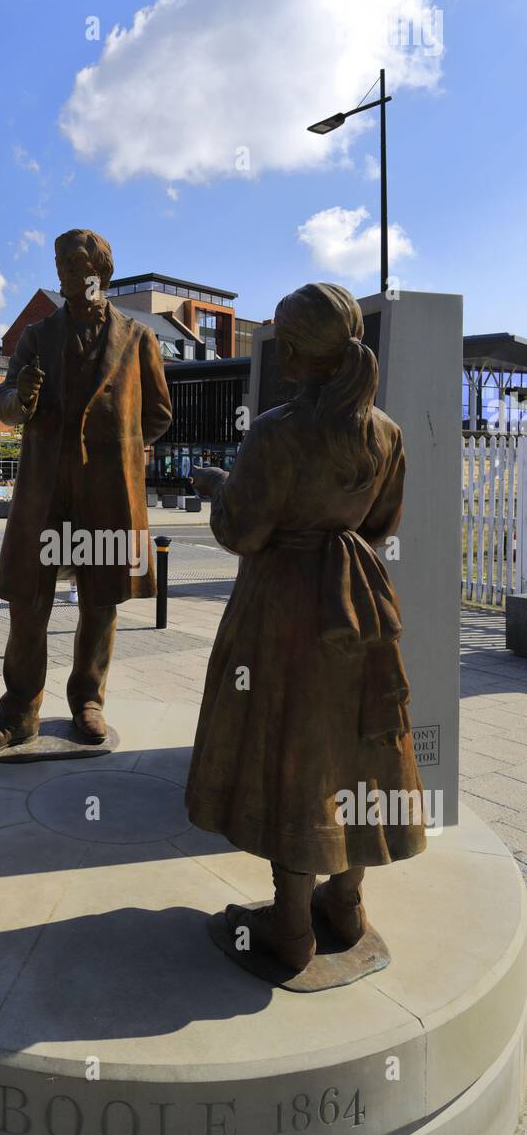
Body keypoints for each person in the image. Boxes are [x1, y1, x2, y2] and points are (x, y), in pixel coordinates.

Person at [188, 283, 426, 973]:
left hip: (285, 604)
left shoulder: (277, 432)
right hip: (357, 605)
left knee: (290, 753)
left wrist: (217, 488)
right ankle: (346, 902)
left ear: (294, 351)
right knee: (360, 750)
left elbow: (242, 530)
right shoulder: (385, 432)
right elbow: (381, 524)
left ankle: (291, 927)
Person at [0, 228, 172, 756]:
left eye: (74, 264)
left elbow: (158, 415)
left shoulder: (138, 337)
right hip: (46, 490)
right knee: (28, 603)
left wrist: (118, 451)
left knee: (102, 602)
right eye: (59, 263)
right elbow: (5, 403)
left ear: (98, 272)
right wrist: (20, 399)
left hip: (107, 494)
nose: (64, 273)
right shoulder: (38, 336)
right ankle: (19, 713)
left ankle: (88, 701)